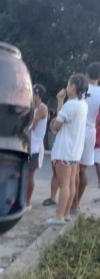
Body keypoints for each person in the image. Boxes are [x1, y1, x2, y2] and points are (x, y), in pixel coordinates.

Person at [46, 74, 90, 226]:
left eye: (68, 83)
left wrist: (53, 124)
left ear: (73, 87)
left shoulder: (70, 105)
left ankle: (58, 217)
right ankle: (65, 215)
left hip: (64, 150)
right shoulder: (82, 104)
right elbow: (62, 118)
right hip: (75, 151)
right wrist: (60, 101)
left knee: (64, 184)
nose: (66, 85)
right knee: (70, 184)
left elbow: (55, 126)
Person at [71, 63, 100, 215]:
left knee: (73, 169)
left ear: (87, 74)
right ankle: (77, 204)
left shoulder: (81, 88)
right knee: (83, 170)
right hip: (90, 132)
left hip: (76, 130)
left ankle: (72, 203)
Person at [28, 84, 50, 206]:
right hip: (27, 147)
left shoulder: (42, 108)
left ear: (37, 95)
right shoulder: (31, 106)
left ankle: (27, 202)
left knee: (29, 174)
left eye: (32, 93)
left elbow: (32, 125)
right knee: (24, 173)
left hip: (34, 148)